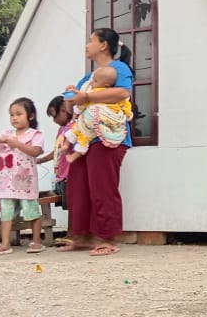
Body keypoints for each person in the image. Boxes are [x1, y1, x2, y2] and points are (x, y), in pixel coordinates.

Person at [61, 28, 133, 256]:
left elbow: (122, 93)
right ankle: (82, 237)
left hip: (108, 137)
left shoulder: (119, 68)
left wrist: (86, 96)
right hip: (85, 138)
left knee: (103, 188)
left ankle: (106, 238)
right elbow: (72, 106)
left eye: (91, 40)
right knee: (78, 189)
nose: (87, 44)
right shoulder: (87, 78)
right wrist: (70, 100)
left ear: (103, 45)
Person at [0, 97, 46, 255]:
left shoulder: (35, 134)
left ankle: (36, 242)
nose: (14, 118)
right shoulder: (6, 134)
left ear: (31, 116)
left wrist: (18, 144)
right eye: (12, 115)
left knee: (31, 211)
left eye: (19, 114)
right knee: (6, 214)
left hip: (25, 182)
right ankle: (5, 244)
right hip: (6, 183)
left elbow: (36, 152)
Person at [64, 65, 133, 156]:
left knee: (79, 132)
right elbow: (126, 106)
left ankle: (68, 147)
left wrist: (78, 110)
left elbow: (81, 105)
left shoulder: (92, 92)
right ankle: (71, 152)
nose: (92, 82)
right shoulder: (89, 80)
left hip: (100, 133)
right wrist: (129, 115)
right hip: (96, 129)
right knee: (82, 135)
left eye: (95, 81)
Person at [38, 96, 74, 246]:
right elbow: (56, 152)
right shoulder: (61, 130)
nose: (54, 120)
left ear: (64, 110)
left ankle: (73, 234)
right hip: (62, 173)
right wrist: (40, 160)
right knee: (69, 205)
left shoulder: (74, 127)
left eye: (55, 116)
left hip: (72, 172)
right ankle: (71, 233)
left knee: (73, 205)